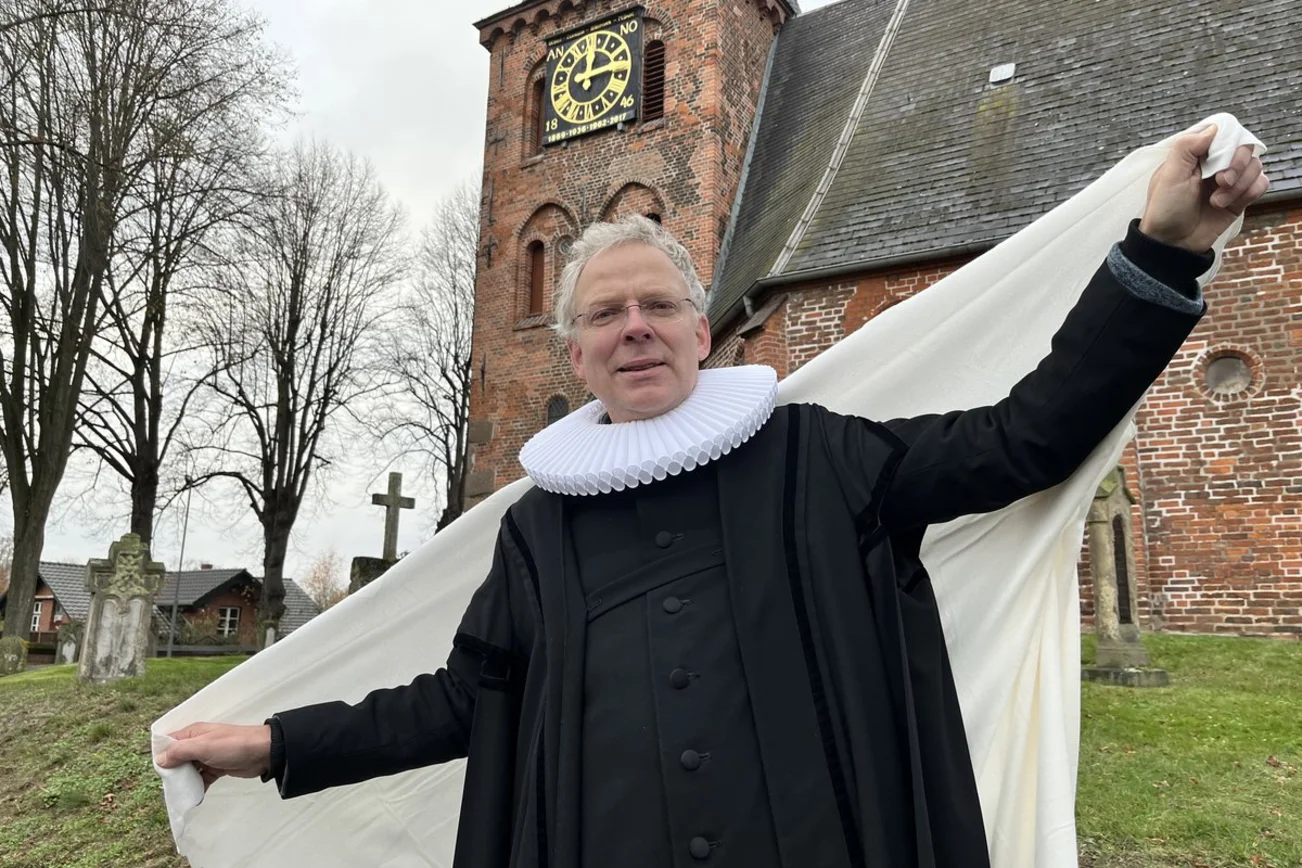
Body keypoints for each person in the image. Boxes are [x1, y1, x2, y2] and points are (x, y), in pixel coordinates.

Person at [159, 127, 1268, 868]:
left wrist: (1164, 251)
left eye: (657, 306)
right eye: (605, 315)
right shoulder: (539, 533)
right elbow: (458, 702)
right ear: (576, 356)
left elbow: (1028, 437)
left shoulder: (825, 459)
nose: (634, 327)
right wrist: (275, 743)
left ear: (703, 332)